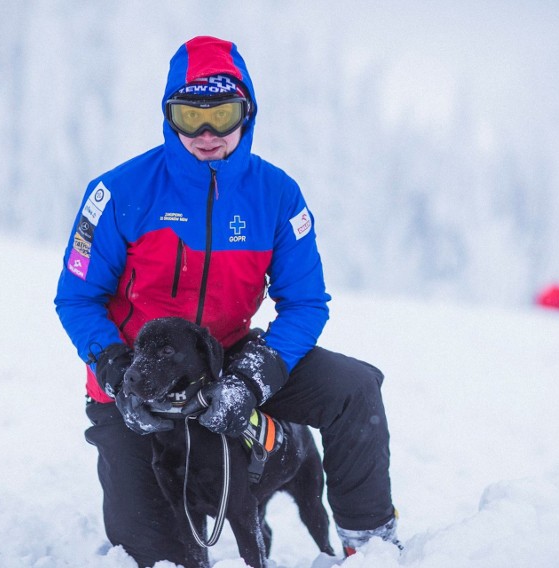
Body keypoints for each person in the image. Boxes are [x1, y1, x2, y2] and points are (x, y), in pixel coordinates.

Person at [54, 36, 400, 566]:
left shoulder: (277, 196)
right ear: (171, 117)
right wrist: (114, 367)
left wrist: (254, 376)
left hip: (230, 361)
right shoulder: (118, 192)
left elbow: (306, 302)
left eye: (224, 113)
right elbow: (77, 298)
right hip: (137, 381)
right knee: (160, 555)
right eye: (192, 116)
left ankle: (369, 545)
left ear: (248, 113)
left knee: (353, 388)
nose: (209, 134)